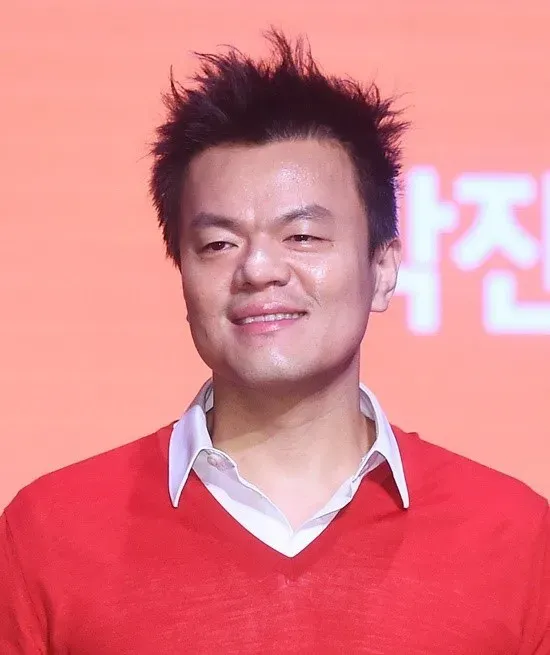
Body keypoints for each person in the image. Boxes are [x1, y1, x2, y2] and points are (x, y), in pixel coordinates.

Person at [1, 30, 548, 654]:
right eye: (218, 244)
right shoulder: (50, 534)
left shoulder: (514, 537)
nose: (258, 269)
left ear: (383, 268)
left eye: (303, 237)